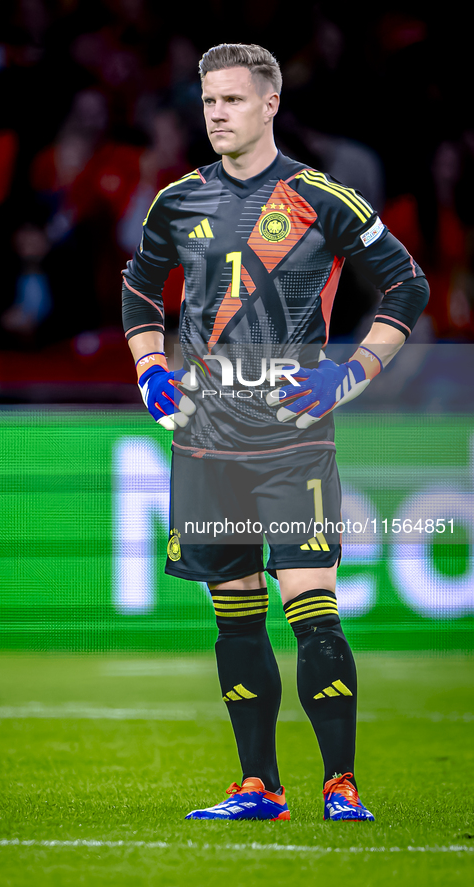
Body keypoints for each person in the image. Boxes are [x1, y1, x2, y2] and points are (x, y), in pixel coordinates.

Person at [121, 43, 429, 822]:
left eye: (230, 100)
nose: (216, 114)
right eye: (207, 101)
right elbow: (137, 288)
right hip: (204, 439)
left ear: (269, 104)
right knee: (234, 614)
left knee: (311, 608)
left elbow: (407, 283)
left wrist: (349, 373)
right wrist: (149, 367)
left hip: (292, 442)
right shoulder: (176, 201)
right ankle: (258, 784)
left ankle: (341, 785)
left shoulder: (321, 198)